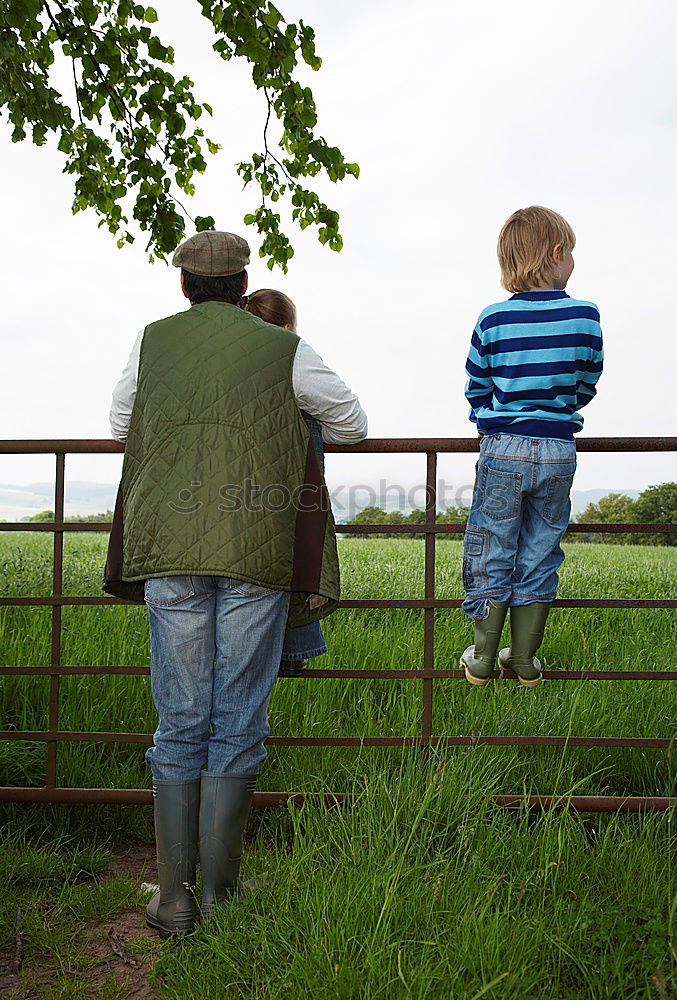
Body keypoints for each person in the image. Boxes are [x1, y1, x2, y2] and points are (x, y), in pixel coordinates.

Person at [102, 230, 368, 938]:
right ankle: (220, 896)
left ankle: (175, 900)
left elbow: (121, 422)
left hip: (170, 544)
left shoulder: (151, 341)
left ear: (184, 285)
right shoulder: (283, 348)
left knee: (180, 717)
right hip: (258, 549)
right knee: (237, 716)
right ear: (242, 281)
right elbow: (352, 424)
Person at [460, 205, 604, 687]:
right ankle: (523, 659)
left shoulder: (493, 319)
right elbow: (588, 381)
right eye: (573, 254)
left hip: (503, 448)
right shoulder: (585, 316)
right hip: (560, 449)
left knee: (493, 546)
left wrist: (486, 419)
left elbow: (476, 386)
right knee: (541, 550)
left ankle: (481, 656)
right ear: (558, 253)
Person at [243, 288, 328, 678]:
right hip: (281, 509)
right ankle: (290, 648)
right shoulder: (289, 352)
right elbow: (353, 423)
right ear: (289, 327)